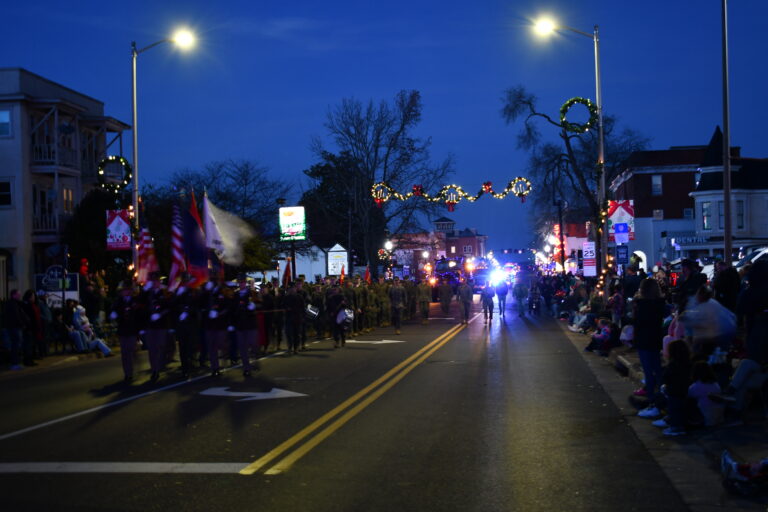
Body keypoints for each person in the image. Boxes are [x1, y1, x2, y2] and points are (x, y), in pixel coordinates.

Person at [632, 278, 667, 413]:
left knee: (648, 371)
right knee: (657, 369)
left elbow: (637, 322)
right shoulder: (660, 303)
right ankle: (660, 398)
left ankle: (652, 401)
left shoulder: (641, 304)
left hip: (644, 339)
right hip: (655, 338)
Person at [111, 282, 139, 382]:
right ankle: (127, 373)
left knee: (131, 351)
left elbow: (137, 315)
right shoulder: (118, 302)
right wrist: (114, 314)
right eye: (124, 290)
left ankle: (130, 371)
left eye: (127, 290)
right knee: (124, 353)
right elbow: (114, 309)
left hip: (132, 330)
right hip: (123, 330)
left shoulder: (134, 301)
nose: (125, 292)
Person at [4, 289, 30, 370]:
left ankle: (16, 363)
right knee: (16, 345)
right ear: (14, 295)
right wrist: (22, 324)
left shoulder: (15, 303)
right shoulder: (12, 304)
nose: (20, 296)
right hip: (15, 327)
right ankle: (15, 363)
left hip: (15, 327)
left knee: (16, 345)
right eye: (18, 294)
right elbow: (16, 316)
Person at [283, 282, 306, 355]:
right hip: (289, 318)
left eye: (293, 288)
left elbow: (303, 307)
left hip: (297, 318)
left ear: (295, 288)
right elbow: (282, 306)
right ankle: (290, 347)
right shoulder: (286, 297)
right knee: (289, 334)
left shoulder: (299, 297)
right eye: (290, 288)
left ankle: (296, 348)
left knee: (297, 334)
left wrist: (303, 317)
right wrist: (286, 308)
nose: (291, 290)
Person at [326, 283, 347, 348]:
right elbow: (328, 306)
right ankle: (337, 342)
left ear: (338, 290)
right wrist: (330, 313)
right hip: (333, 314)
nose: (334, 290)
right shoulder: (330, 297)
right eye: (333, 289)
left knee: (342, 329)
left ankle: (343, 341)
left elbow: (346, 305)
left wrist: (344, 304)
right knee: (335, 329)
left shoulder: (342, 296)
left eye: (335, 289)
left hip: (341, 314)